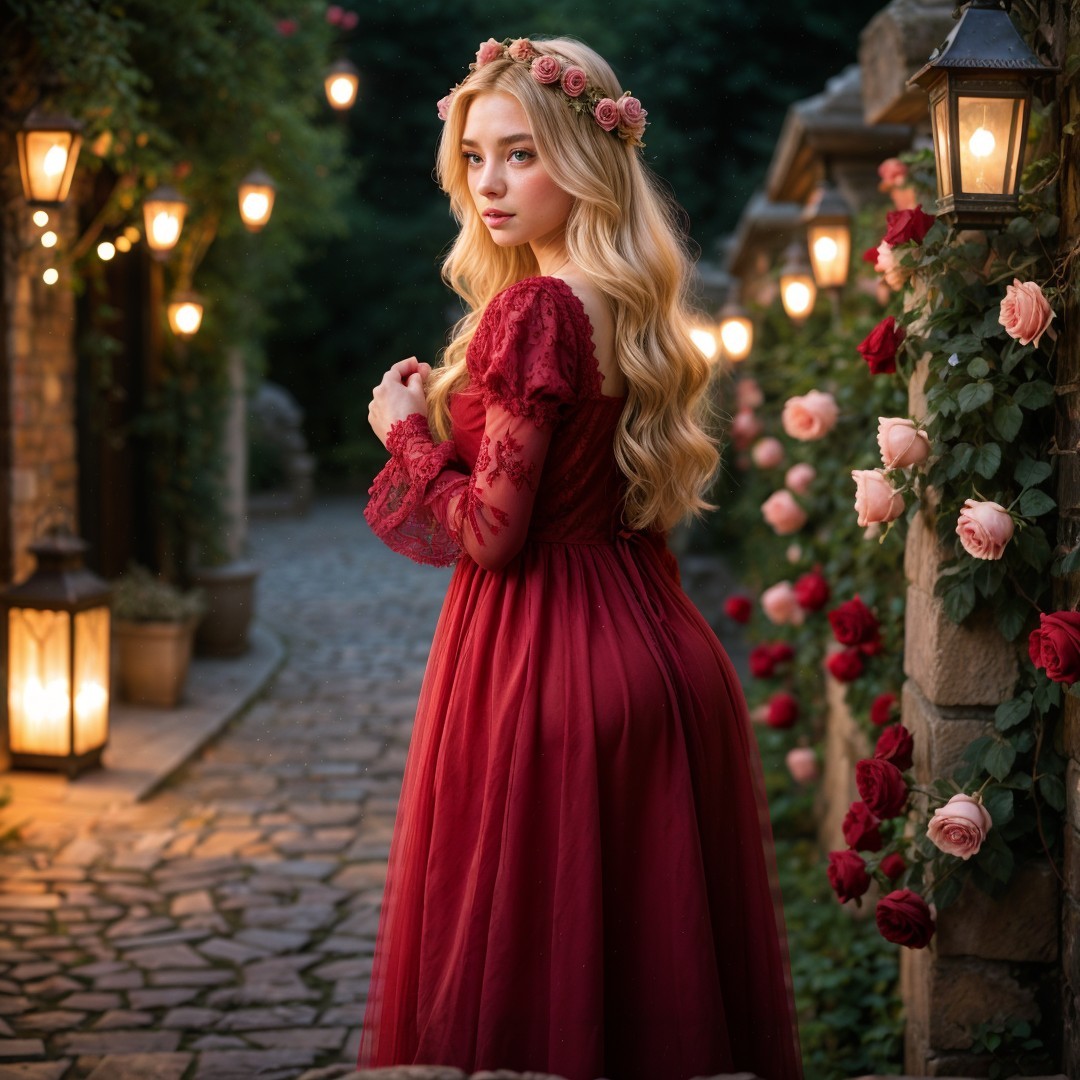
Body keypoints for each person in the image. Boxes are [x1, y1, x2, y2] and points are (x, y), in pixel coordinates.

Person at [359, 35, 802, 1080]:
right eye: (475, 158)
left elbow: (489, 534)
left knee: (534, 999)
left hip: (542, 672)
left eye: (521, 154)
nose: (491, 183)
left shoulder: (538, 309)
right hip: (657, 659)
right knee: (649, 998)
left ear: (586, 154)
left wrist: (405, 432)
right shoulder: (623, 301)